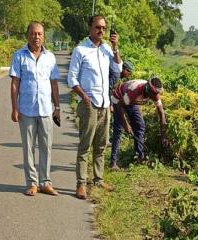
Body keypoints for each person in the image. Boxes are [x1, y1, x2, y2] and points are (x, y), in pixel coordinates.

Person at [67, 15, 122, 199]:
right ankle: (80, 184)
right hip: (88, 104)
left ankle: (98, 179)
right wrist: (83, 96)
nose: (101, 31)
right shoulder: (80, 50)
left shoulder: (107, 49)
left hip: (104, 104)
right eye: (98, 27)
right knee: (85, 146)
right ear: (90, 27)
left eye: (104, 28)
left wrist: (115, 48)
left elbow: (118, 70)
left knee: (100, 146)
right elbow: (71, 79)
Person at [10, 21, 60, 196]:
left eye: (39, 34)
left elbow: (54, 83)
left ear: (43, 36)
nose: (36, 37)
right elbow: (15, 83)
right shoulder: (19, 56)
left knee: (46, 147)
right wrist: (14, 108)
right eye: (33, 33)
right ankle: (32, 183)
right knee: (28, 148)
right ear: (27, 35)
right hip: (26, 109)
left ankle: (45, 182)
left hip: (46, 109)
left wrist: (58, 107)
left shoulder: (50, 57)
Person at [109, 77, 168, 170]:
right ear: (147, 89)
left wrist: (163, 134)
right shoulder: (135, 90)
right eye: (153, 94)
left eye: (156, 94)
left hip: (131, 102)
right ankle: (113, 163)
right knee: (119, 130)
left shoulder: (155, 94)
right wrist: (126, 125)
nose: (154, 97)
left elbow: (161, 113)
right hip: (119, 100)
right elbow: (120, 105)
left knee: (140, 126)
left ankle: (139, 157)